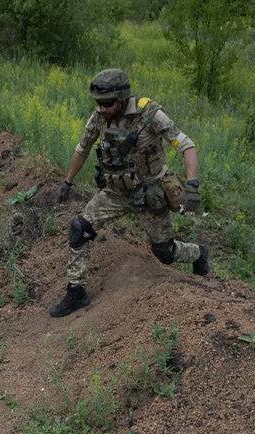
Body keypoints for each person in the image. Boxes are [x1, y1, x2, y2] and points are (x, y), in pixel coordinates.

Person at [50, 68, 208, 318]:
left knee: (164, 253)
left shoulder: (150, 115)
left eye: (108, 103)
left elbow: (186, 145)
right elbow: (82, 149)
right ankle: (76, 292)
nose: (102, 109)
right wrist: (67, 182)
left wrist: (193, 184)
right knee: (79, 228)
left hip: (149, 194)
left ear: (123, 98)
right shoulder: (99, 117)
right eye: (98, 103)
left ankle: (198, 252)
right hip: (115, 192)